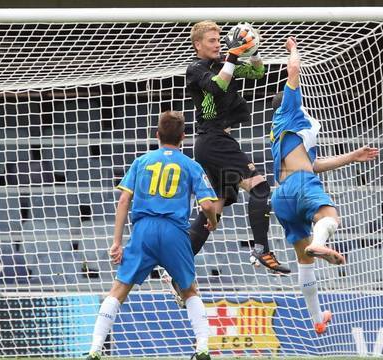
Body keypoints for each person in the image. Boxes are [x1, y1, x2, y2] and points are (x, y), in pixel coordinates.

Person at [86, 111, 219, 360]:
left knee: (118, 290)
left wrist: (116, 242)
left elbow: (124, 199)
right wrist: (212, 222)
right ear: (183, 137)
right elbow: (209, 206)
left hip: (143, 230)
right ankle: (202, 347)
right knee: (190, 290)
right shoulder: (191, 165)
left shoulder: (142, 161)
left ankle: (95, 350)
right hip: (174, 232)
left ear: (157, 135)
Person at [270, 37, 379, 334]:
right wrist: (293, 49)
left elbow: (313, 164)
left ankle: (317, 319)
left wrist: (352, 157)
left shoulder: (282, 133)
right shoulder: (290, 109)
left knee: (304, 260)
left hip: (281, 195)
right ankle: (320, 241)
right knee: (330, 217)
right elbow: (294, 71)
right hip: (302, 185)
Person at [184, 20, 289, 275]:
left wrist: (252, 49)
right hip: (214, 140)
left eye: (219, 39)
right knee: (260, 187)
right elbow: (217, 85)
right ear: (198, 44)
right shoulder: (195, 69)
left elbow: (257, 72)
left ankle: (178, 265)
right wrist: (232, 55)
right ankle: (261, 249)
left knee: (215, 208)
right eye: (212, 40)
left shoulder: (224, 62)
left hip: (215, 142)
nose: (218, 44)